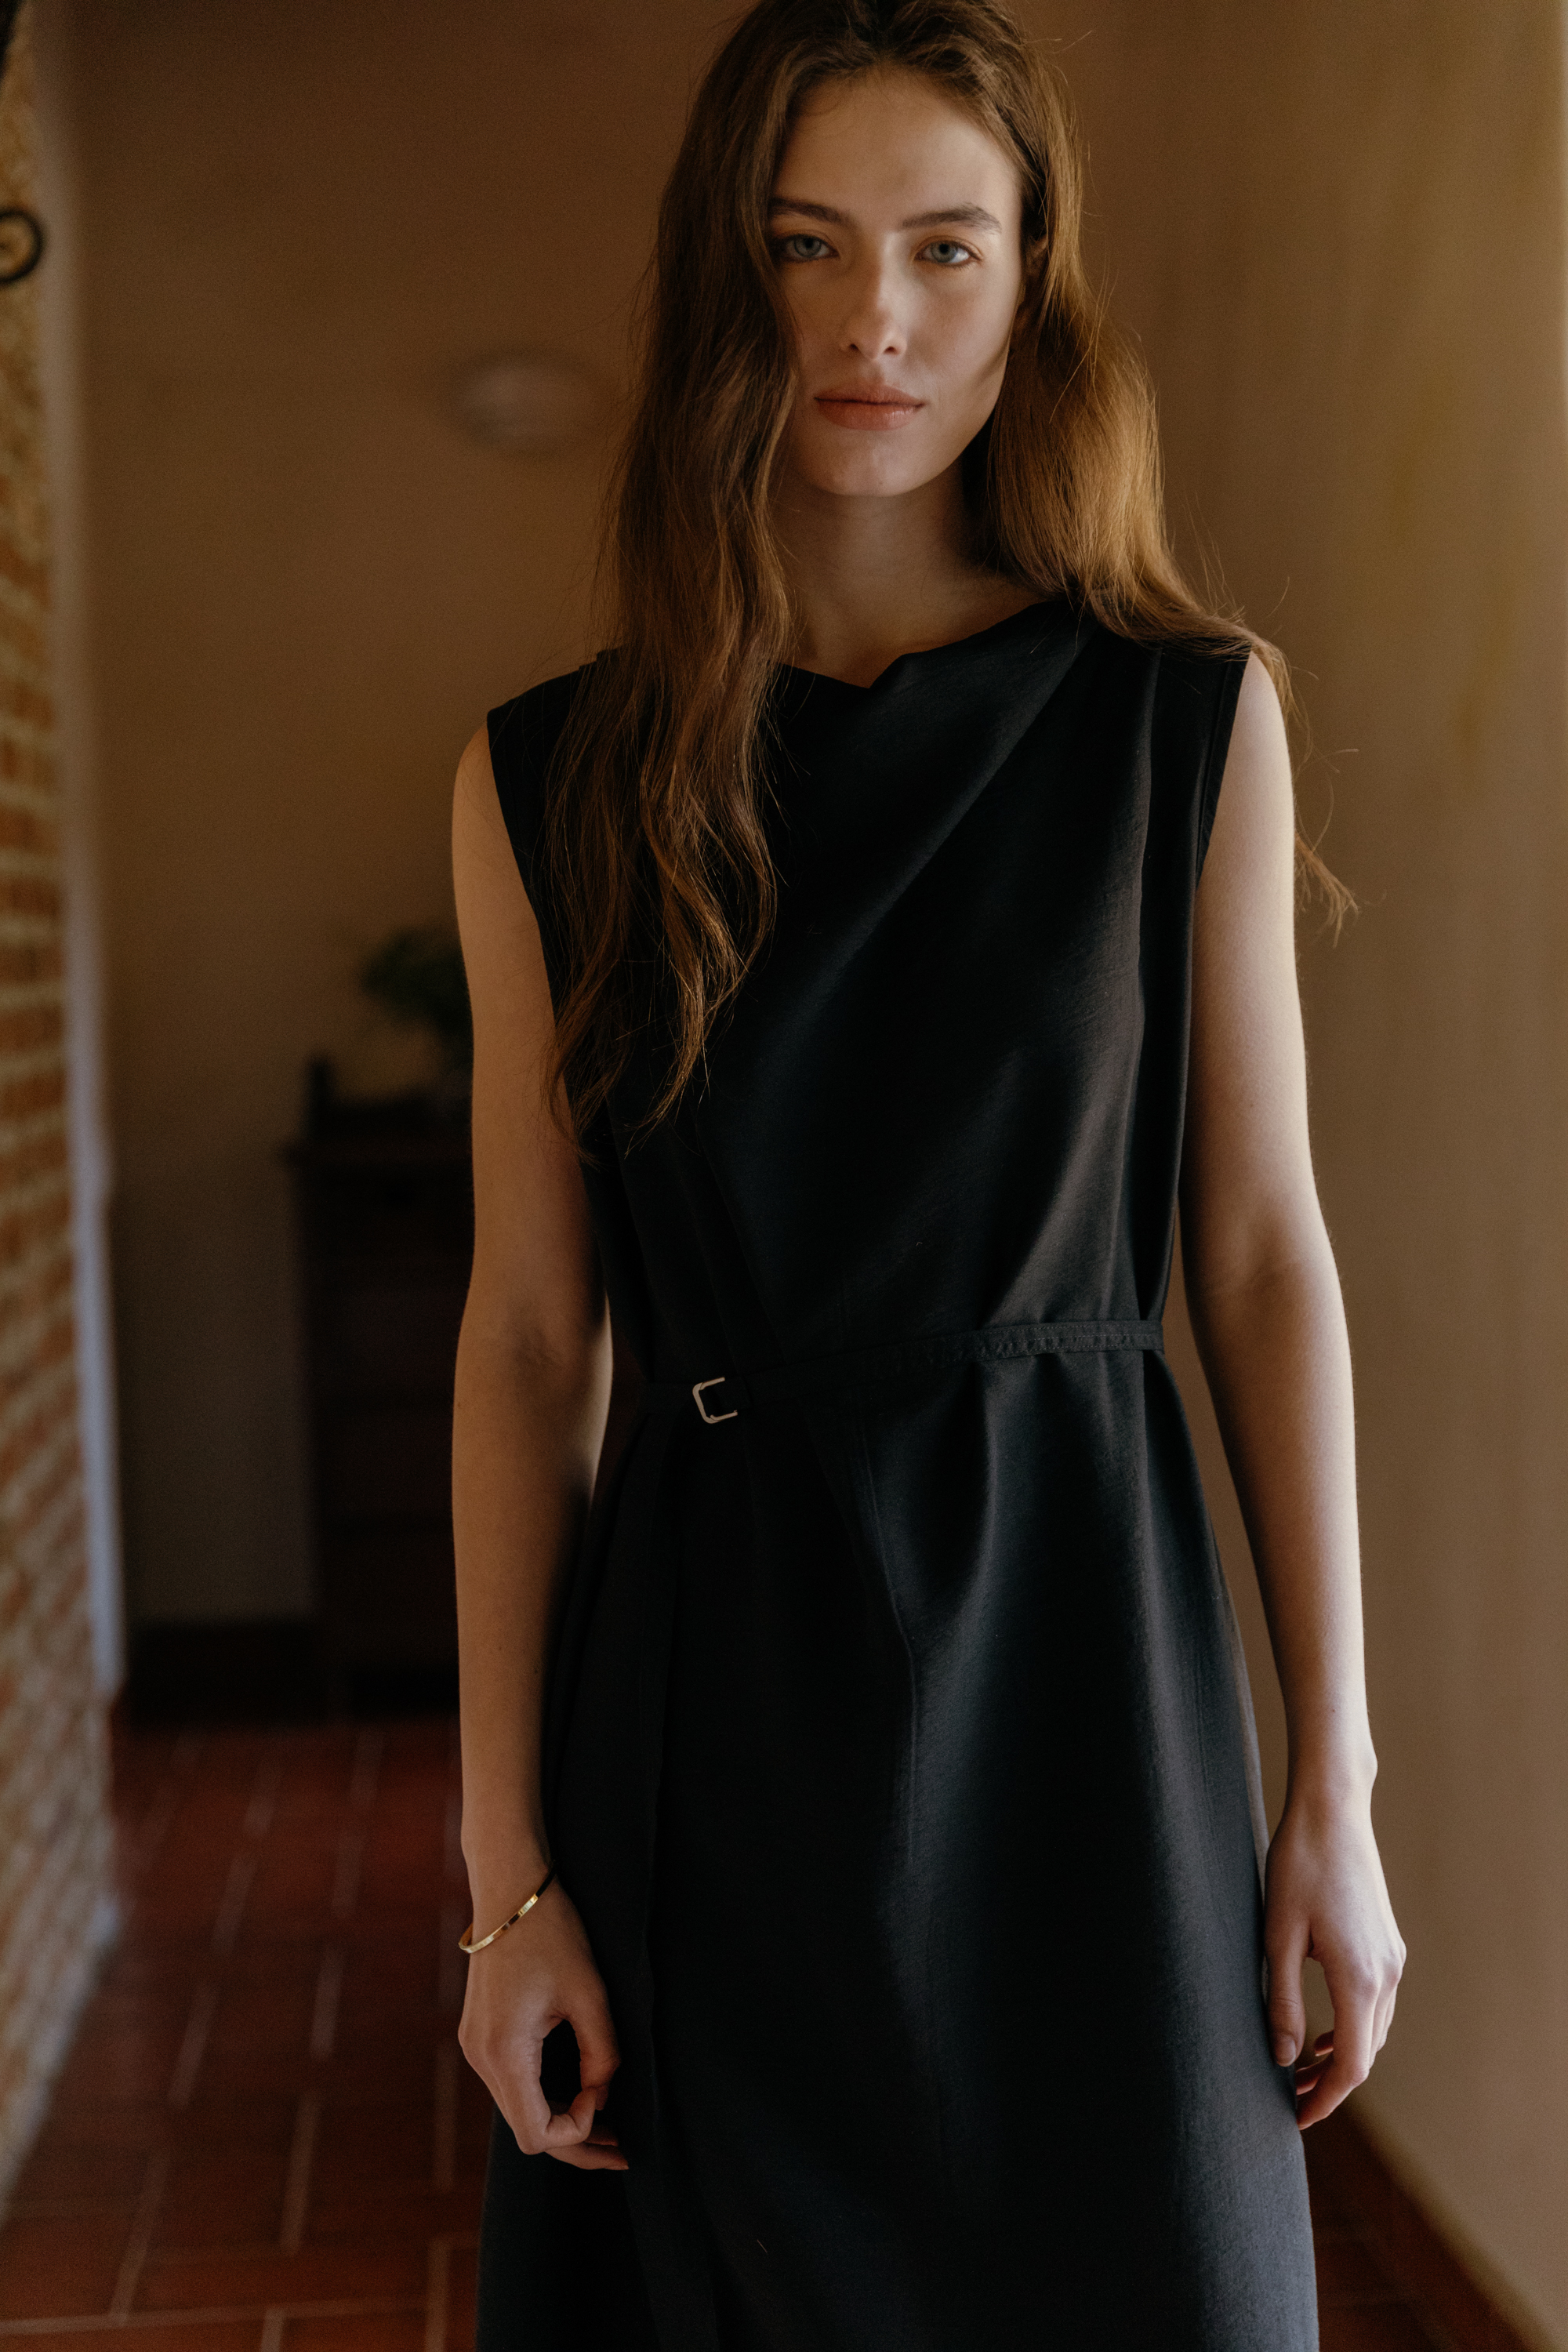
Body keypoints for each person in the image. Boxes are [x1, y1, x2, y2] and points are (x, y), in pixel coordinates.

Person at [451, 2, 1406, 2344]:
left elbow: (1263, 1256)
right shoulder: (549, 783)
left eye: (943, 248)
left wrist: (1335, 1788)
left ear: (1030, 286)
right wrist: (507, 1876)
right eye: (805, 245)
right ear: (723, 275)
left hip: (1089, 1686)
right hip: (713, 1702)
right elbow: (534, 1338)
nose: (871, 318)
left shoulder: (1184, 720)